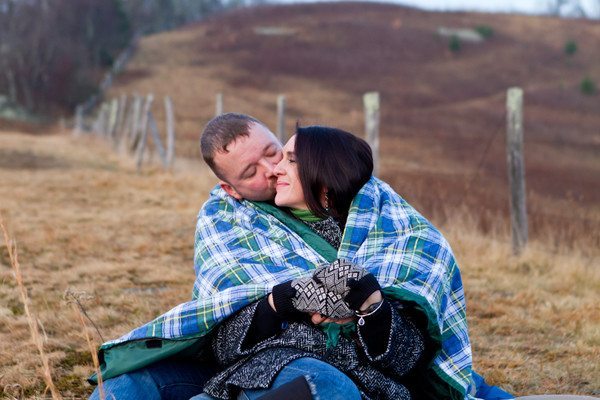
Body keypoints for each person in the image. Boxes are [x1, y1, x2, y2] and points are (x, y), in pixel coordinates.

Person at [89, 113, 512, 399]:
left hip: (342, 376)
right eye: (251, 172)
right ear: (230, 190)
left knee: (318, 385)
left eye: (276, 154)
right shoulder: (229, 221)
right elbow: (219, 331)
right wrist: (282, 301)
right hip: (248, 367)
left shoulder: (386, 220)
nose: (272, 170)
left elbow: (409, 357)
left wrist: (369, 305)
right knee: (125, 387)